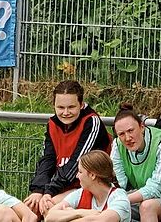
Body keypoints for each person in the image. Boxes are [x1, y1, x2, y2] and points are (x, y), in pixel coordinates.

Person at [25, 80, 111, 219]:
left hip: (87, 187)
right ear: (53, 106)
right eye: (60, 107)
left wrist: (49, 191)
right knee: (30, 209)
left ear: (81, 104)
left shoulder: (91, 122)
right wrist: (38, 190)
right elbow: (47, 160)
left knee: (49, 207)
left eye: (71, 107)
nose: (65, 112)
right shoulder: (52, 124)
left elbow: (76, 164)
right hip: (62, 186)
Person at [45, 150, 131, 222]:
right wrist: (80, 213)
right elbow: (50, 216)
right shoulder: (80, 193)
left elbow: (100, 220)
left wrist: (67, 215)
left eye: (80, 172)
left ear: (92, 175)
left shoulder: (119, 197)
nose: (77, 176)